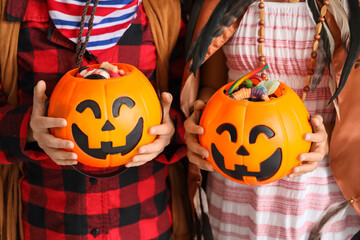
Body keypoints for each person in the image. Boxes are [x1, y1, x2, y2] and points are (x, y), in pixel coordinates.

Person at [0, 0, 191, 239]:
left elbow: (192, 109)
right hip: (49, 223)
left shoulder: (163, 12)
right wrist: (28, 129)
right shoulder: (12, 14)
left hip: (143, 220)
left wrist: (170, 128)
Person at [181, 0, 360, 239]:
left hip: (316, 193)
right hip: (236, 185)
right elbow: (212, 87)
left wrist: (326, 138)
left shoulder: (350, 9)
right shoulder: (221, 4)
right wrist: (201, 120)